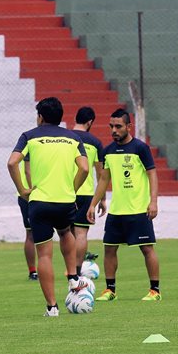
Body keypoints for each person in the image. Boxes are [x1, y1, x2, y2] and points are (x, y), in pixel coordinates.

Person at [7, 97, 89, 317]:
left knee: (44, 254)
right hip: (64, 200)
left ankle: (52, 307)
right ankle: (73, 277)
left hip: (40, 202)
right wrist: (72, 189)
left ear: (40, 117)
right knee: (65, 232)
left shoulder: (29, 136)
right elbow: (84, 167)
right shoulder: (73, 137)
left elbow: (12, 162)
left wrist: (23, 189)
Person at [87, 108, 160, 301]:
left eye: (118, 126)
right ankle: (110, 290)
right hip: (117, 210)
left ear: (129, 126)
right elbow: (104, 180)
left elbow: (152, 174)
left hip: (138, 209)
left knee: (147, 248)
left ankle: (155, 291)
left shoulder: (140, 148)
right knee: (109, 248)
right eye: (111, 126)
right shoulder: (108, 151)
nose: (114, 130)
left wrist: (153, 201)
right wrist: (93, 204)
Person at [71, 107, 106, 274]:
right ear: (90, 122)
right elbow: (101, 174)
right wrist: (103, 199)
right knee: (81, 234)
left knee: (67, 234)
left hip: (66, 191)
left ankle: (70, 269)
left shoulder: (66, 137)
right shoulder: (95, 142)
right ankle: (77, 271)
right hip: (85, 193)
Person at [17, 155, 38, 281]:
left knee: (31, 233)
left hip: (39, 193)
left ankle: (72, 270)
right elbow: (27, 170)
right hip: (30, 194)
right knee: (31, 232)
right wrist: (32, 191)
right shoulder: (31, 141)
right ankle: (33, 271)